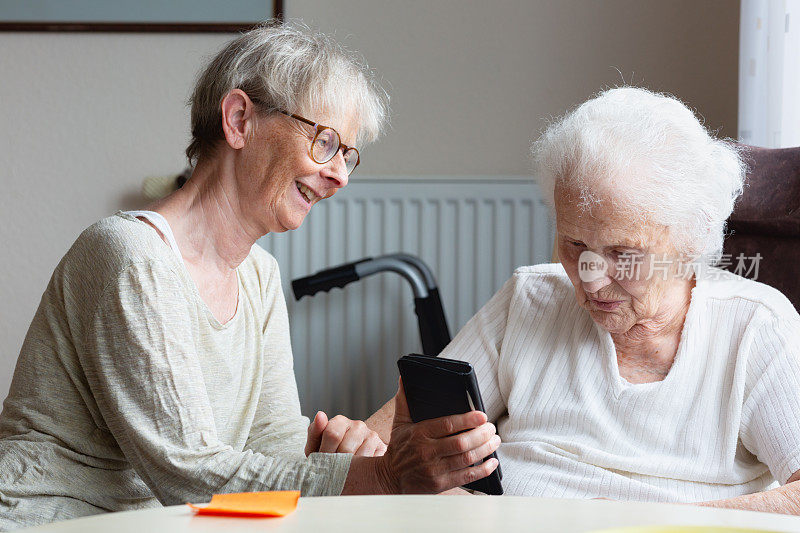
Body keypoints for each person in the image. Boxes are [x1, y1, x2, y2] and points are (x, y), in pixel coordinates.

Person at [0, 22, 499, 530]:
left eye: (348, 156)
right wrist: (384, 477)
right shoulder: (130, 256)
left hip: (163, 520)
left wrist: (340, 460)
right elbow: (190, 472)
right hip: (53, 518)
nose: (340, 176)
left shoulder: (259, 276)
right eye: (324, 142)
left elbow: (272, 448)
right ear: (239, 120)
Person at [367, 87, 800, 513]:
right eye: (574, 244)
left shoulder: (755, 327)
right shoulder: (530, 297)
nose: (591, 280)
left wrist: (648, 524)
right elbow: (400, 432)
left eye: (622, 254)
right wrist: (357, 444)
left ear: (694, 237)